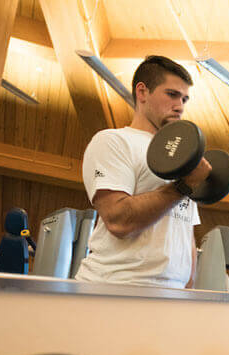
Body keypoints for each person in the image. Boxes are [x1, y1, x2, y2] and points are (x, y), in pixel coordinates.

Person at [75, 56, 211, 288]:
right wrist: (183, 186)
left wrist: (187, 294)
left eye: (185, 99)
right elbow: (118, 220)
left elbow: (185, 236)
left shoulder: (184, 159)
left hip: (168, 296)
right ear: (142, 92)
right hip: (114, 288)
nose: (180, 106)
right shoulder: (113, 142)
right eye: (172, 94)